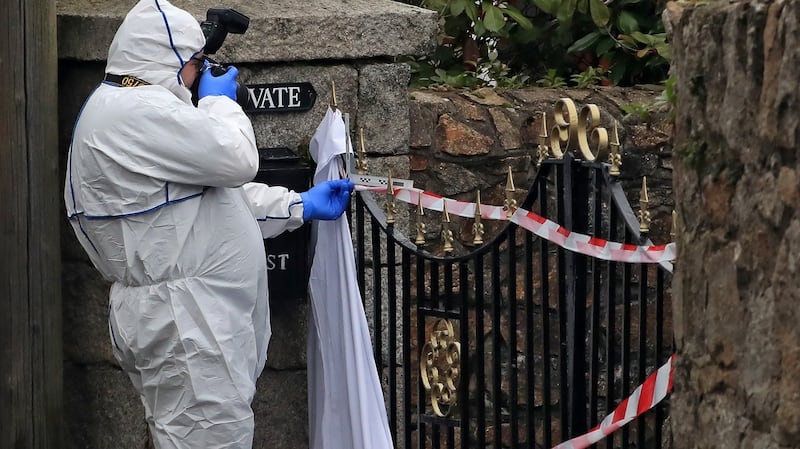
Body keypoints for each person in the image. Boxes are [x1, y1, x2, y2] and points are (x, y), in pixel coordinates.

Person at [63, 1, 353, 448]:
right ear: (167, 60)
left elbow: (201, 208)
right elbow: (237, 160)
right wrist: (218, 104)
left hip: (189, 325)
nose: (199, 75)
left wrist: (298, 205)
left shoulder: (125, 112)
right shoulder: (136, 113)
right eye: (197, 63)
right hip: (190, 330)